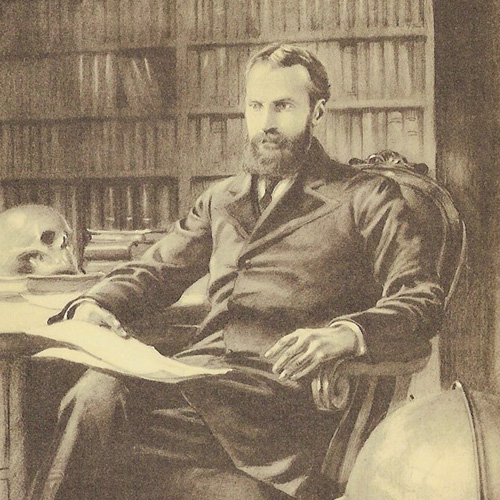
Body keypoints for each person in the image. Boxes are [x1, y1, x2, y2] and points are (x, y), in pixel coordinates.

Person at [29, 44, 444, 500]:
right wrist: (94, 302)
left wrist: (345, 335)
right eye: (256, 106)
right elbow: (155, 270)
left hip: (277, 402)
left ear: (317, 112)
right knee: (93, 394)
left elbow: (420, 297)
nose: (266, 123)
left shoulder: (365, 196)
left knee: (96, 426)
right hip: (196, 382)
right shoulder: (221, 199)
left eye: (283, 106)